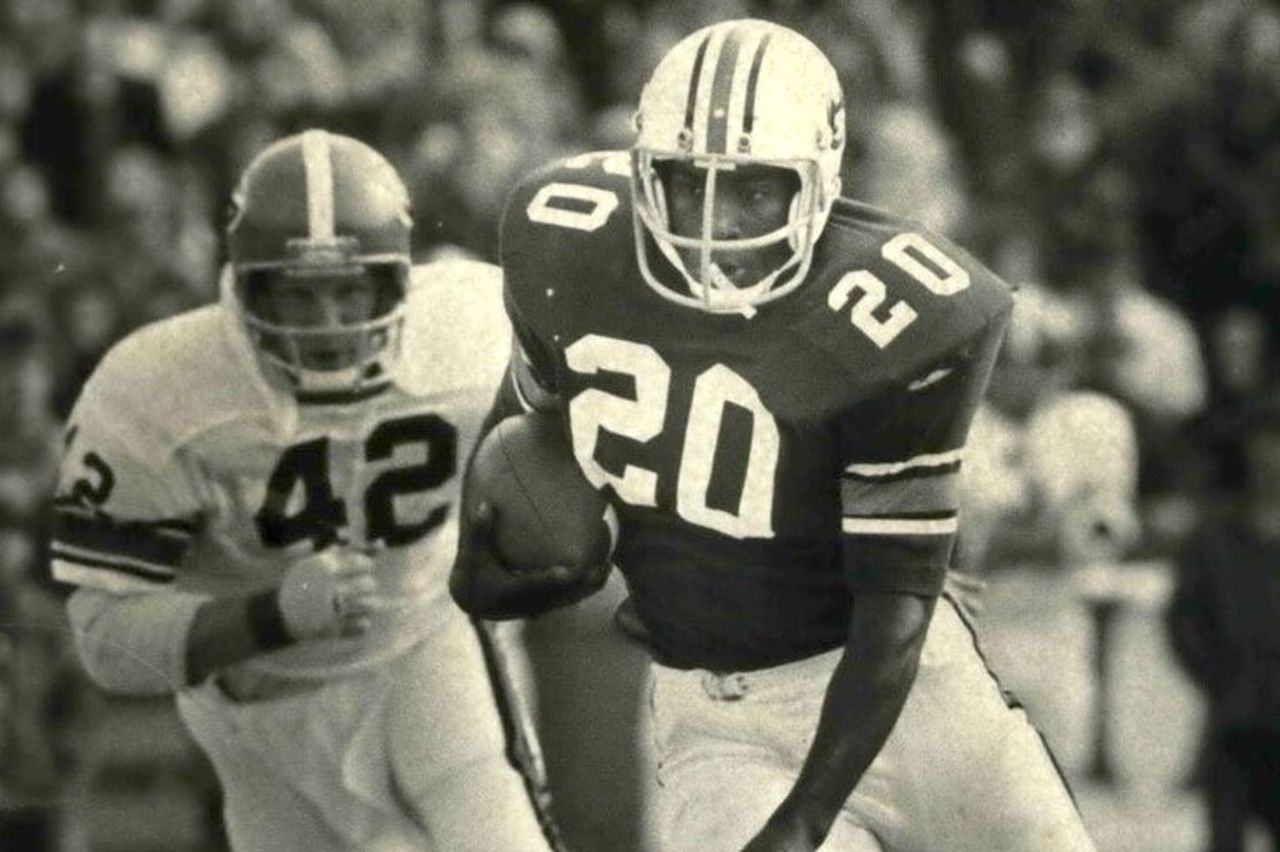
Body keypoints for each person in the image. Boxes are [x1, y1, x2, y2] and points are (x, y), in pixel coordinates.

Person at [450, 18, 1095, 852]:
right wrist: (503, 570)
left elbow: (894, 616)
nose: (715, 223)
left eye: (755, 191)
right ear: (645, 172)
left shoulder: (901, 316)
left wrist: (804, 818)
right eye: (688, 184)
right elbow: (508, 467)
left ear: (817, 187)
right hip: (725, 721)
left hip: (907, 697)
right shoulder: (569, 249)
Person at [51, 129, 563, 852]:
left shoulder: (469, 329)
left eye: (350, 291)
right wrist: (267, 617)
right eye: (300, 296)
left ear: (395, 281)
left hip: (423, 646)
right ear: (250, 288)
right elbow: (105, 637)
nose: (329, 326)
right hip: (255, 702)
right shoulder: (160, 392)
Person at [1167, 397, 1280, 852]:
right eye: (1267, 445)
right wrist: (1223, 677)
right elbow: (1184, 622)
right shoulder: (1215, 540)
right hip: (1236, 724)